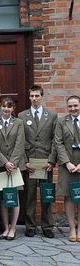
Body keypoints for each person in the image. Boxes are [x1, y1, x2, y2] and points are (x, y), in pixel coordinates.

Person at [18, 85, 57, 238]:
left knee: (47, 194)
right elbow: (19, 141)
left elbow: (55, 139)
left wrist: (52, 160)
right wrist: (24, 161)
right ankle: (30, 225)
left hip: (46, 161)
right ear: (29, 97)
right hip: (30, 162)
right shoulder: (22, 116)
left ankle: (47, 226)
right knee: (30, 195)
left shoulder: (52, 115)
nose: (34, 99)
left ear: (42, 97)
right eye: (32, 96)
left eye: (37, 96)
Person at [0, 97, 25, 241]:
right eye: (4, 106)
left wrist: (12, 163)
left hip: (15, 166)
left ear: (13, 109)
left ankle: (13, 228)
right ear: (0, 107)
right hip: (1, 166)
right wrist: (4, 162)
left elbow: (20, 144)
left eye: (9, 107)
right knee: (3, 198)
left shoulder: (18, 123)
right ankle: (5, 228)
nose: (6, 109)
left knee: (14, 197)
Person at [54, 95, 80, 242]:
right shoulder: (61, 121)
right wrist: (67, 162)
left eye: (75, 105)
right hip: (67, 164)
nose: (73, 108)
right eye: (70, 106)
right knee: (69, 196)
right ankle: (72, 228)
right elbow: (58, 143)